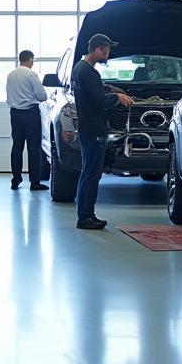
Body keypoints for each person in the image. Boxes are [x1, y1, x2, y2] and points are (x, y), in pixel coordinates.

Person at [71, 33, 134, 229]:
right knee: (92, 174)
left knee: (87, 172)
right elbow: (99, 99)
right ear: (99, 49)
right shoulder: (88, 72)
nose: (109, 53)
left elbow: (96, 90)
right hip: (94, 129)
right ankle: (86, 217)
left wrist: (112, 88)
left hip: (88, 128)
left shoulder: (81, 68)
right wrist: (118, 98)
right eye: (108, 49)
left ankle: (85, 214)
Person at [6, 50, 48, 191]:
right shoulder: (31, 74)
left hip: (15, 114)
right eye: (33, 60)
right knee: (34, 148)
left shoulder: (11, 75)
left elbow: (8, 97)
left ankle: (16, 179)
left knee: (17, 147)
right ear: (30, 59)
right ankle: (34, 182)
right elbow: (42, 96)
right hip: (31, 114)